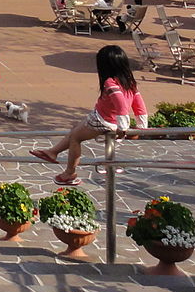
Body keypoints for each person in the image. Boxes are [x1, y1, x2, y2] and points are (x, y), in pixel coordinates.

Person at [30, 45, 148, 186]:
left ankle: (69, 173)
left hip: (103, 120)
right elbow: (139, 105)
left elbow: (121, 105)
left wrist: (123, 127)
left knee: (75, 138)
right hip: (106, 119)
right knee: (75, 130)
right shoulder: (129, 82)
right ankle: (52, 152)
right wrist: (142, 126)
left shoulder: (110, 82)